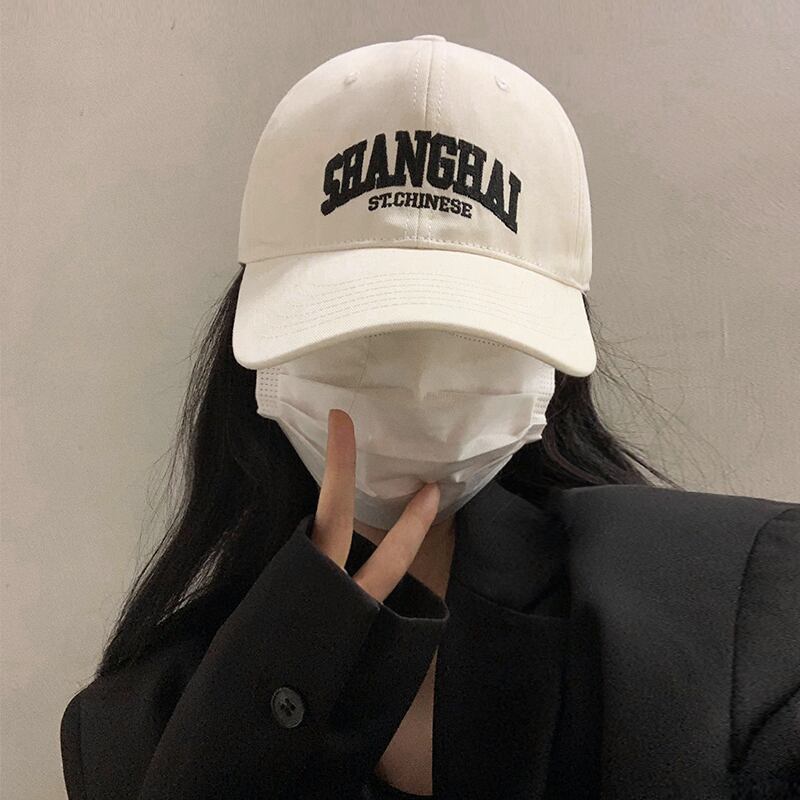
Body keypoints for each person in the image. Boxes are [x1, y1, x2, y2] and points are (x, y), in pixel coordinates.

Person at [59, 35, 799, 800]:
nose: (415, 386)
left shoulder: (740, 618)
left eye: (471, 346)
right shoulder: (132, 731)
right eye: (358, 336)